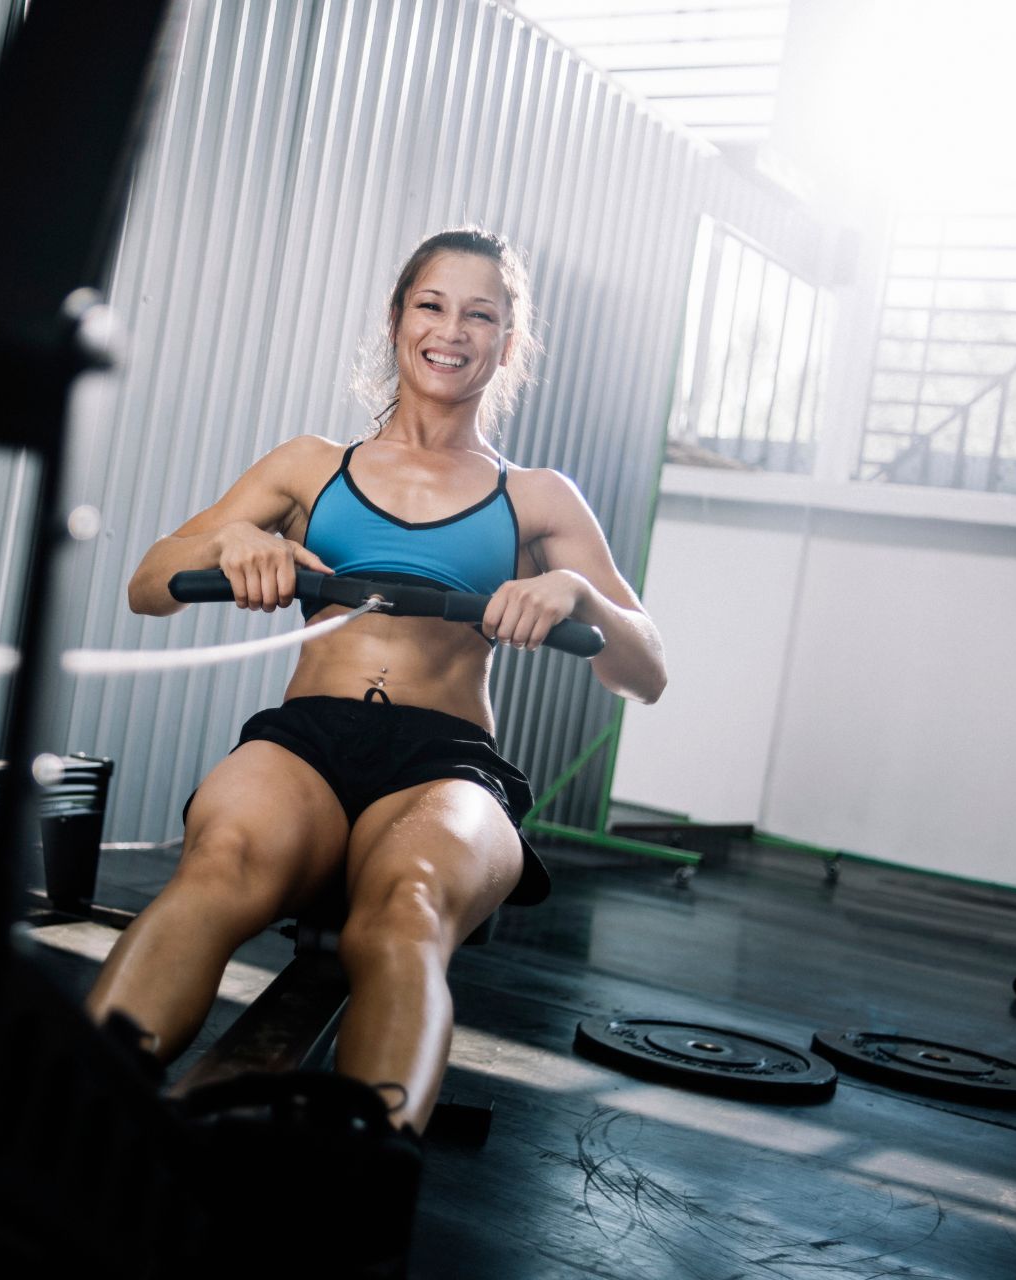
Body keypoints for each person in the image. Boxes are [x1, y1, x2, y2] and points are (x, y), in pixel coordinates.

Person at [86, 227, 667, 1135]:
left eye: (482, 315)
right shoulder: (310, 466)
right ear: (397, 320)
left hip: (445, 767)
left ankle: (366, 1165)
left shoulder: (539, 498)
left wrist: (577, 591)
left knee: (406, 910)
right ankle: (77, 1115)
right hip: (305, 747)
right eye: (433, 304)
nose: (453, 329)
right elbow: (148, 585)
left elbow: (648, 672)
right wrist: (230, 544)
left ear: (507, 343)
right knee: (220, 863)